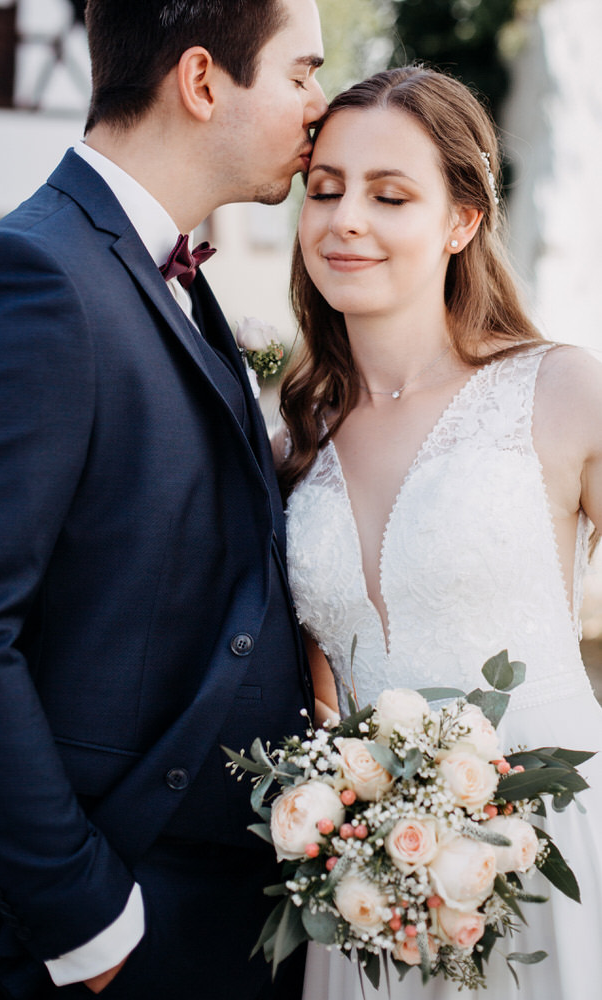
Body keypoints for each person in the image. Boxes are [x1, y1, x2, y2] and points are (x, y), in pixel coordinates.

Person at [0, 2, 327, 999]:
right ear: (202, 82)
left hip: (222, 920)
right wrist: (86, 918)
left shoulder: (176, 279)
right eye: (300, 74)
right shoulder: (35, 277)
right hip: (100, 935)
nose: (318, 107)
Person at [278, 66, 602, 999]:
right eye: (325, 188)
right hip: (372, 891)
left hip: (553, 849)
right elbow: (309, 689)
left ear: (460, 221)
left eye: (389, 195)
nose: (344, 219)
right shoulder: (292, 442)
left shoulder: (562, 392)